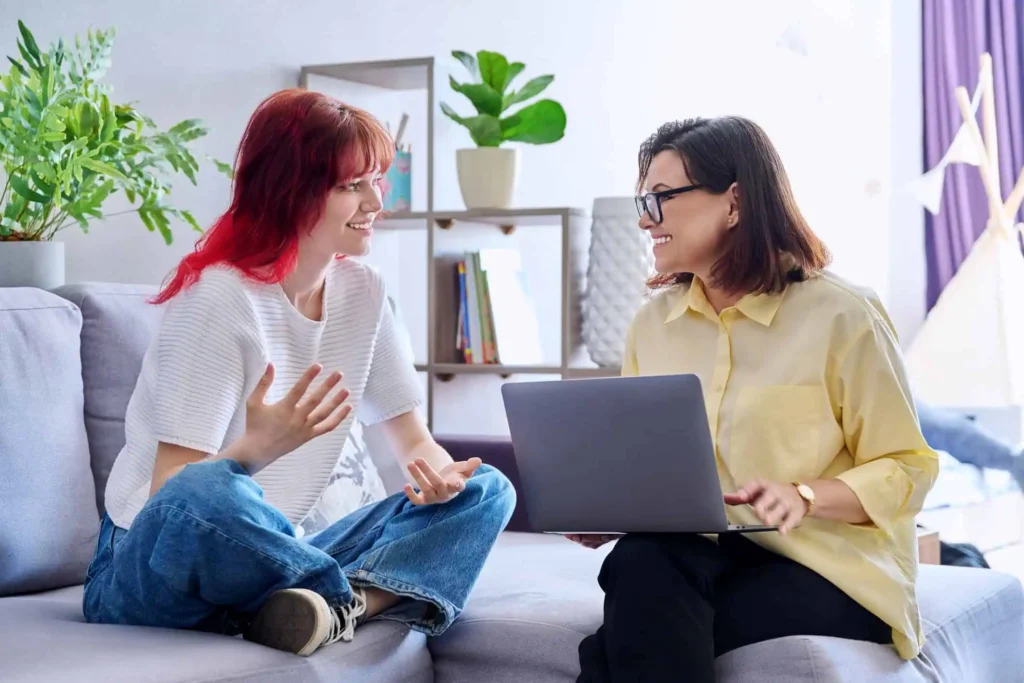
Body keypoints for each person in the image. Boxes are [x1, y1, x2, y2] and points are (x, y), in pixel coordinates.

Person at [83, 89, 516, 657]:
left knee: (487, 489)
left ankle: (342, 606)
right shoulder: (219, 299)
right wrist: (257, 449)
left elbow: (414, 441)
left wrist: (440, 481)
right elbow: (174, 496)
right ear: (290, 191)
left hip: (276, 555)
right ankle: (334, 592)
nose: (376, 201)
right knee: (208, 489)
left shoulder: (364, 292)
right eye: (352, 185)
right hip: (148, 567)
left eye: (376, 180)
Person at [569, 117, 939, 682]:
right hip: (702, 557)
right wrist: (610, 511)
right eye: (645, 201)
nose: (646, 219)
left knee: (629, 636)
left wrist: (805, 495)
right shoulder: (653, 325)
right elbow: (645, 466)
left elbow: (909, 468)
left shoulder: (844, 315)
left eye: (662, 198)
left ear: (735, 202)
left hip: (827, 567)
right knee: (641, 560)